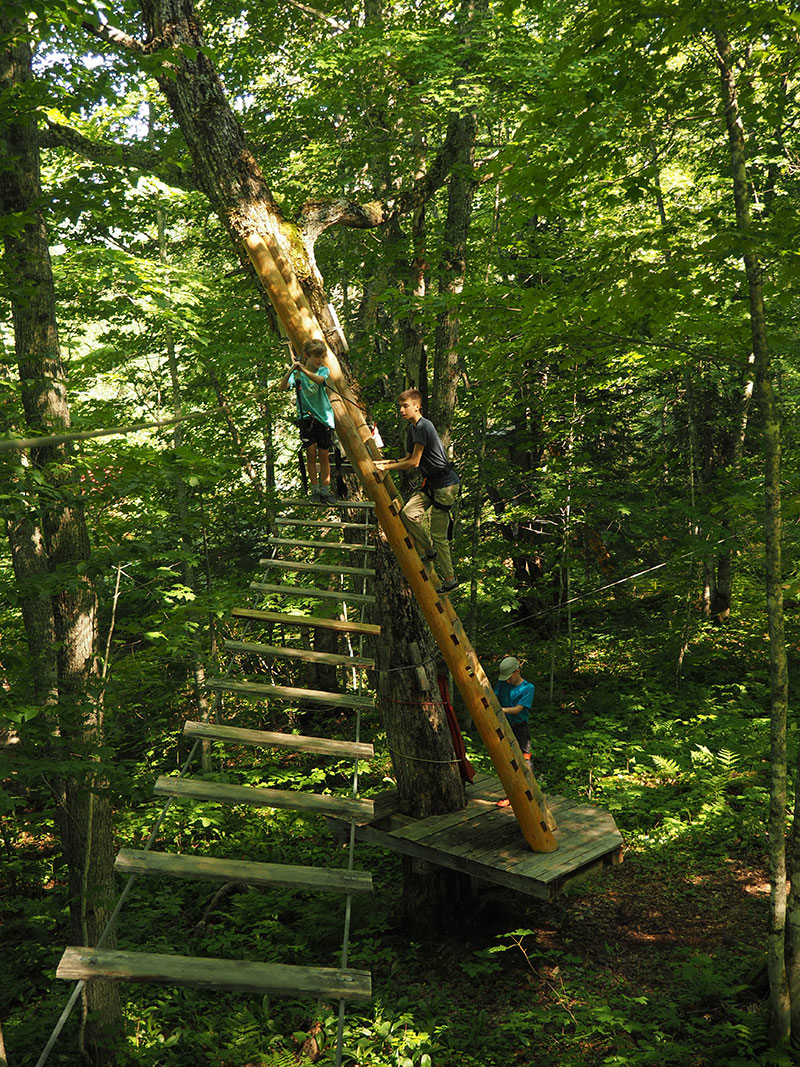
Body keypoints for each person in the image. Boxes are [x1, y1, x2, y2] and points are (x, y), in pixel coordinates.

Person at [374, 388, 460, 593]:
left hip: (446, 486)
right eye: (400, 407)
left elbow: (414, 462)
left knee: (439, 536)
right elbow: (407, 458)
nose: (402, 410)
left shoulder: (423, 426)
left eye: (405, 406)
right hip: (431, 483)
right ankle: (429, 551)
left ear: (417, 406)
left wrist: (386, 467)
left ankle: (450, 580)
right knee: (409, 513)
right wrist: (388, 461)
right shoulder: (412, 429)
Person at [278, 339, 337, 504]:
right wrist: (291, 371)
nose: (319, 360)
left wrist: (303, 370)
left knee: (324, 455)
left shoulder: (323, 371)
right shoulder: (297, 375)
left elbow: (319, 381)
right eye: (316, 356)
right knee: (311, 455)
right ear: (306, 356)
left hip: (324, 418)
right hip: (306, 419)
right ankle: (315, 490)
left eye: (322, 356)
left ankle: (326, 490)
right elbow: (281, 387)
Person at [493, 655, 534, 808]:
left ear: (517, 671)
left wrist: (499, 710)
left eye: (509, 677)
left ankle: (529, 792)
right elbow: (494, 696)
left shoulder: (528, 688)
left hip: (520, 728)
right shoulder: (502, 683)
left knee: (524, 760)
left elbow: (518, 709)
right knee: (507, 761)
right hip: (504, 725)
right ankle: (511, 795)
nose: (506, 681)